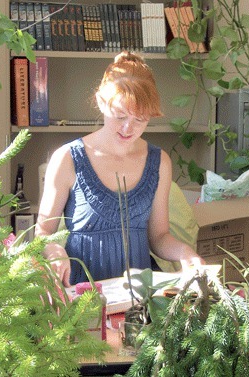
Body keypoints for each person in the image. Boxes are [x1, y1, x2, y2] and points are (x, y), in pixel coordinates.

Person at [36, 52, 204, 287]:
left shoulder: (159, 162)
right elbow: (42, 233)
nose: (128, 128)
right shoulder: (68, 158)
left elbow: (159, 237)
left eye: (140, 119)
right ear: (101, 102)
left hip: (138, 299)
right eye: (120, 116)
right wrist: (54, 250)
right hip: (82, 295)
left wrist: (186, 253)